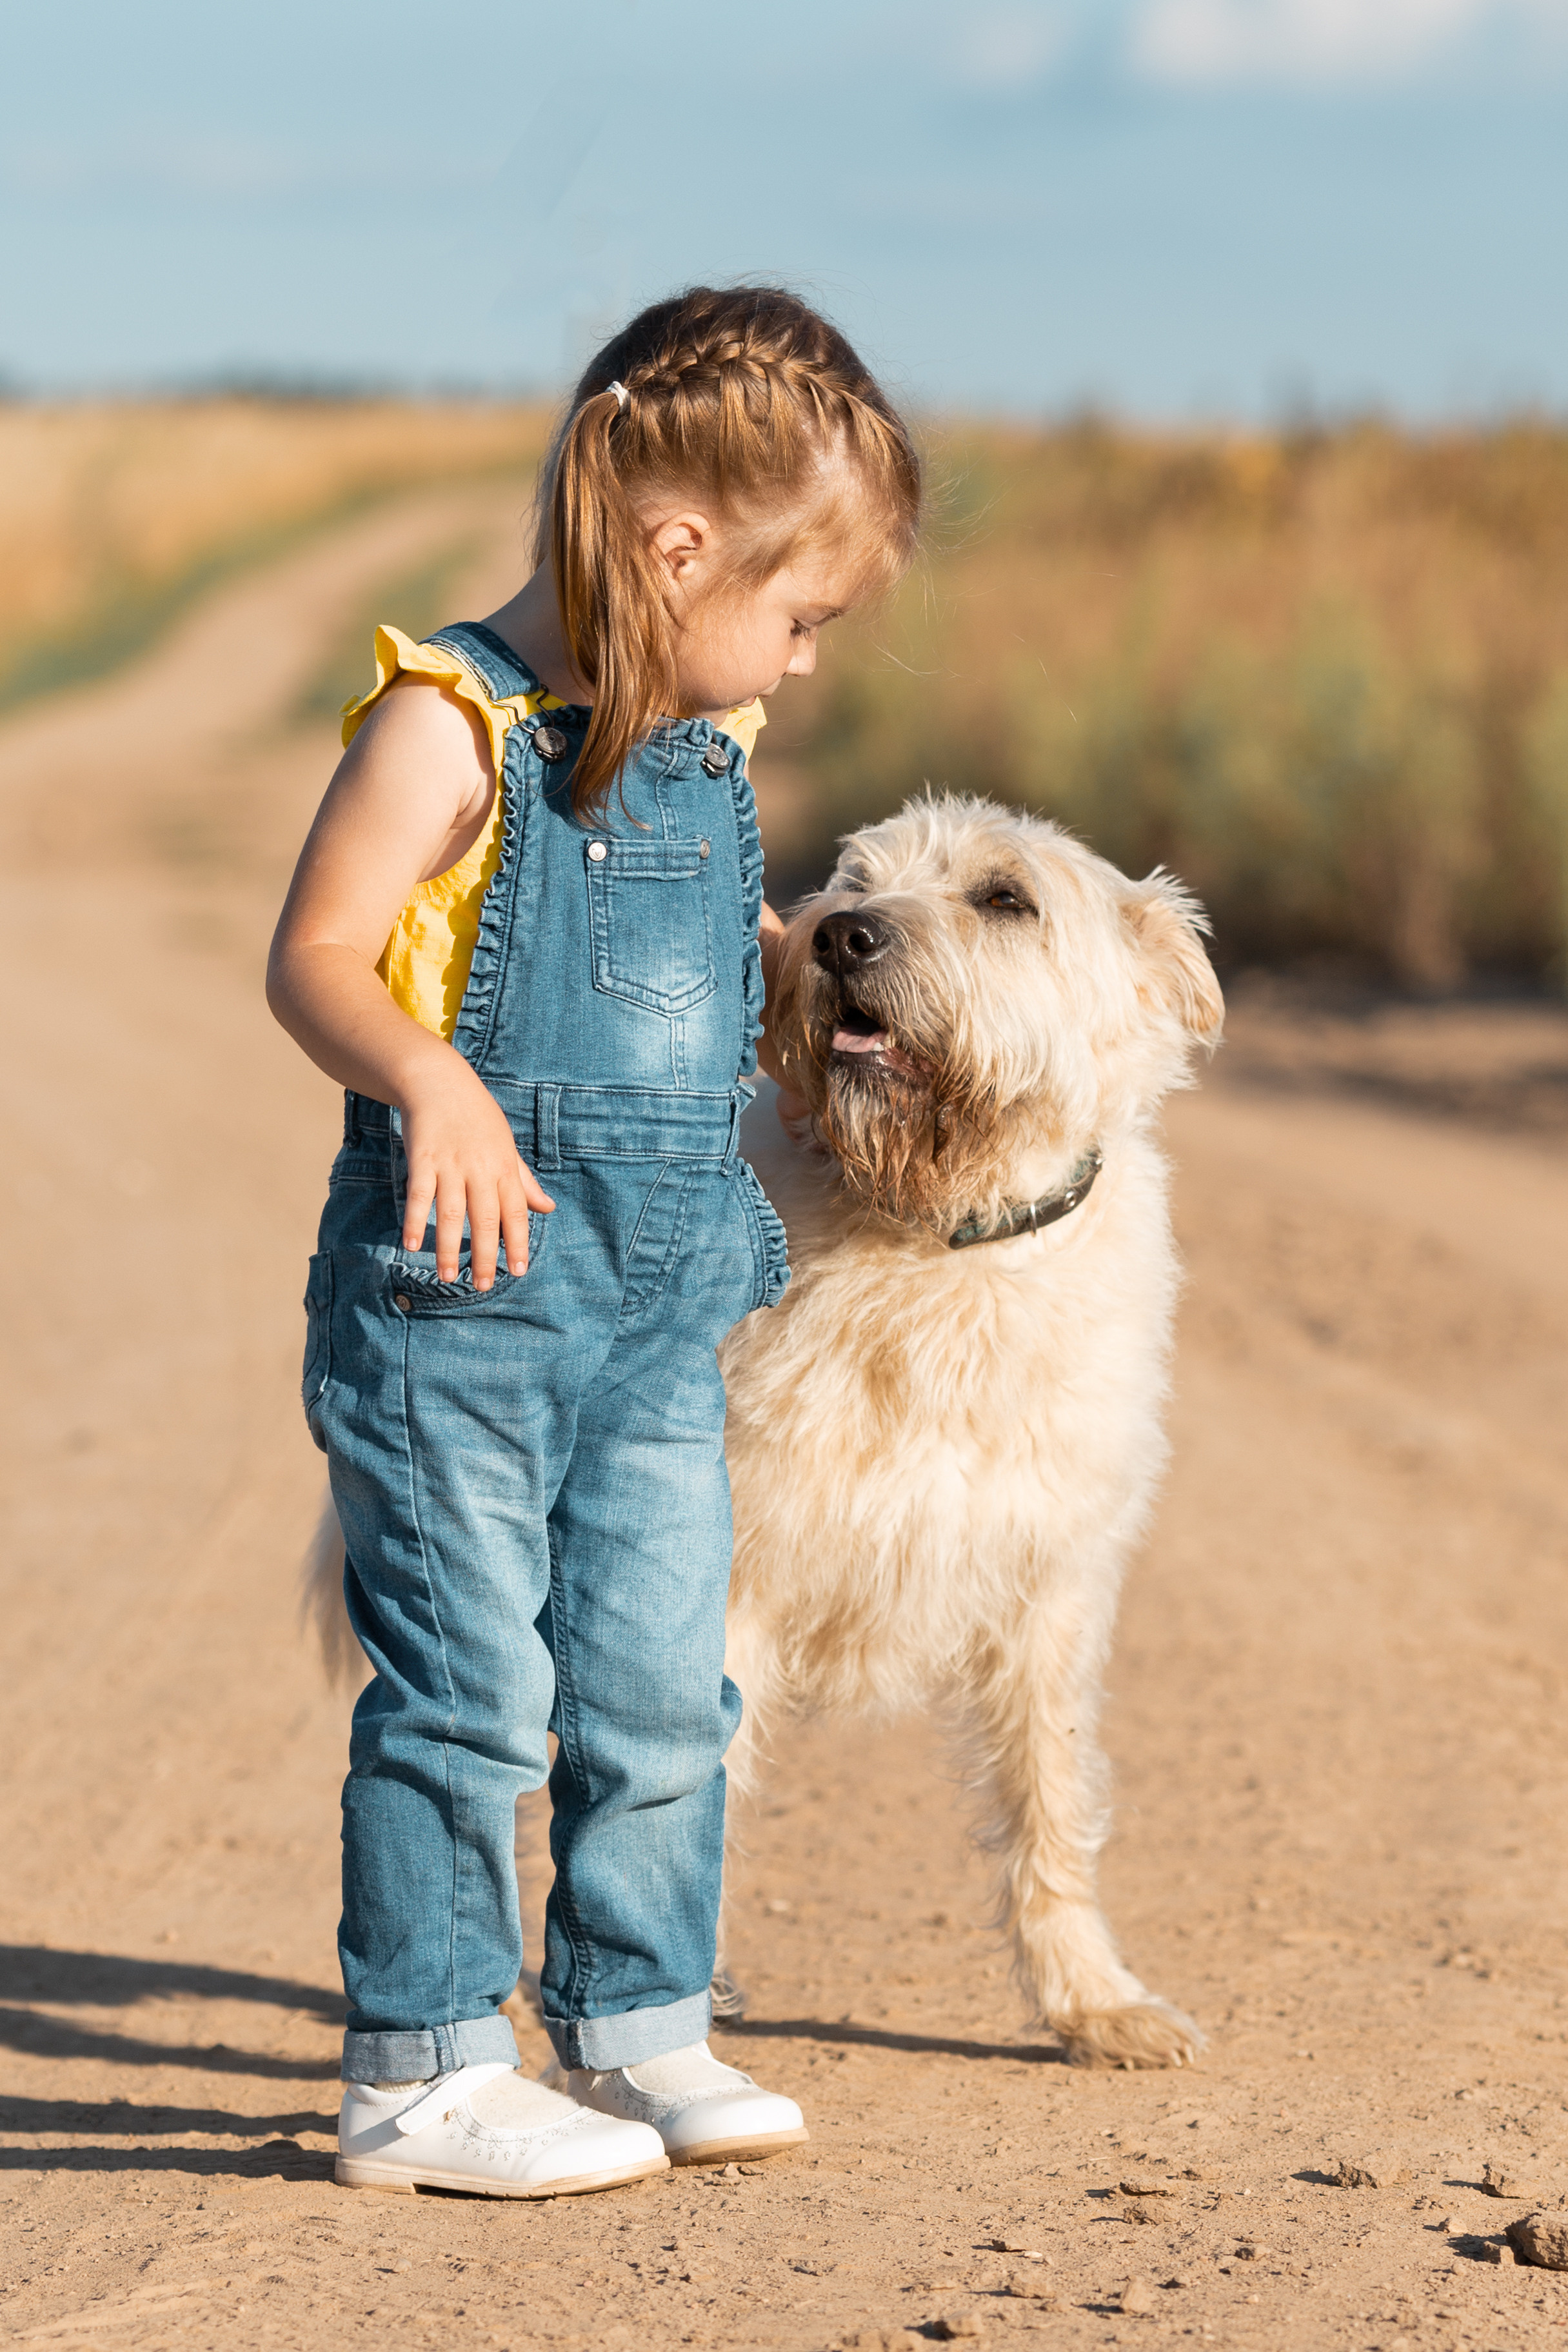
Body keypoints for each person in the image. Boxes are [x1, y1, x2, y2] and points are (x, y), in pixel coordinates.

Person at [266, 284, 922, 2198]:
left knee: (658, 1685)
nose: (798, 668)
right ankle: (423, 2065)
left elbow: (691, 999)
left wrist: (788, 998)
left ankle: (638, 2027)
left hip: (657, 1322)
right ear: (675, 546)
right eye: (798, 619)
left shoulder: (706, 769)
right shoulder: (445, 724)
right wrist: (433, 1086)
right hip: (457, 1312)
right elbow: (313, 954)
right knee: (476, 1688)